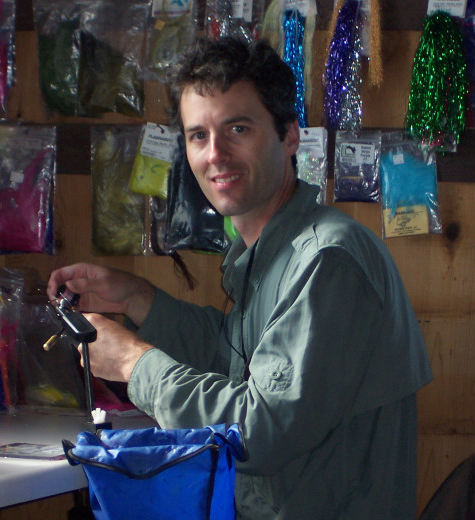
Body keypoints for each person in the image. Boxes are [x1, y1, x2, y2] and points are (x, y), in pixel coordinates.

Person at [48, 37, 433, 519]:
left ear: (290, 136)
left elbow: (260, 427)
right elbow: (234, 359)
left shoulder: (327, 261)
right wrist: (139, 299)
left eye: (237, 128)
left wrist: (132, 361)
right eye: (198, 136)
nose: (215, 155)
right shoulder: (273, 252)